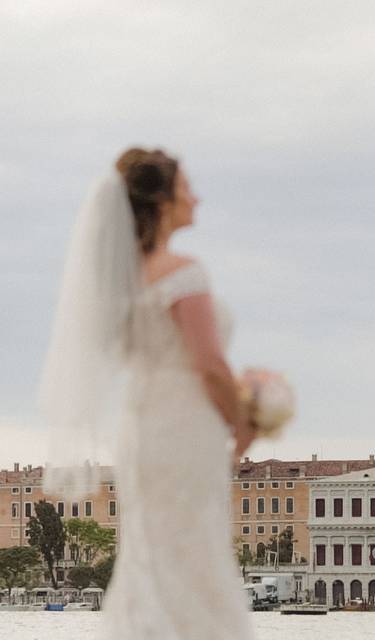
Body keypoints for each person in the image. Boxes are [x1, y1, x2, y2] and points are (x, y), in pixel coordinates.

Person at [40, 148, 256, 638]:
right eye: (186, 188)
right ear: (161, 201)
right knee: (193, 552)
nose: (196, 196)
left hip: (139, 430)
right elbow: (211, 365)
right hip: (185, 430)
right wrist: (244, 420)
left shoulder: (120, 281)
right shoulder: (184, 272)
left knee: (150, 554)